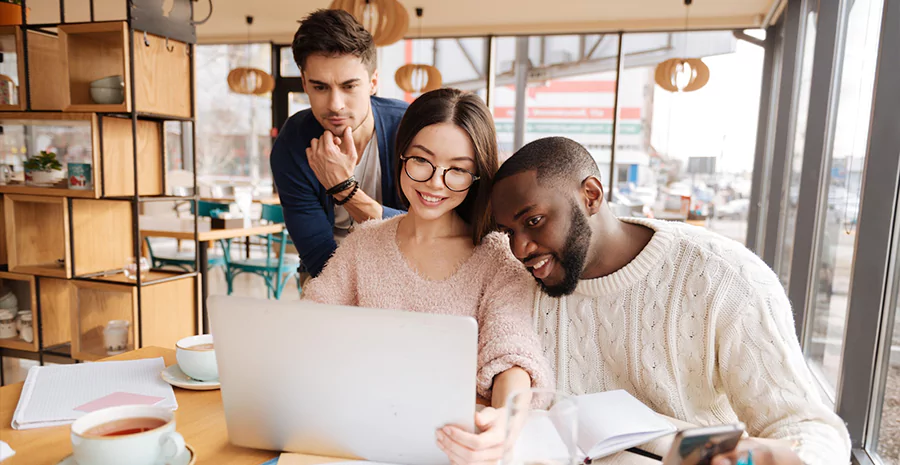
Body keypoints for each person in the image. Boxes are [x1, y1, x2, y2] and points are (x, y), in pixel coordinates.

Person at [440, 137, 850, 465]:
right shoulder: (516, 283)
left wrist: (782, 457)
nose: (521, 248)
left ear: (591, 195)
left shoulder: (725, 278)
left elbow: (808, 427)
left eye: (533, 221)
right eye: (509, 232)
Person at [302, 88, 551, 420]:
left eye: (458, 169)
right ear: (402, 155)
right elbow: (307, 326)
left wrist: (505, 421)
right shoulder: (364, 243)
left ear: (477, 176)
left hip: (453, 437)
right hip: (364, 423)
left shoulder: (498, 260)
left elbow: (513, 354)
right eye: (421, 160)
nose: (435, 183)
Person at [270, 9, 408, 278]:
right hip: (330, 271)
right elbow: (318, 256)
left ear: (373, 82)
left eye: (349, 86)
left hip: (408, 267)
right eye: (320, 87)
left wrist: (342, 188)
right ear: (305, 84)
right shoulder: (293, 143)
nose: (335, 105)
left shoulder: (409, 129)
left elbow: (429, 234)